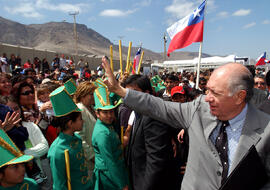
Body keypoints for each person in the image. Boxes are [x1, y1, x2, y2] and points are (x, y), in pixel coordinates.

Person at [102, 57, 270, 190]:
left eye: (215, 93)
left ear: (239, 97)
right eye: (207, 90)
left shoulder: (266, 130)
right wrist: (121, 91)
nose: (207, 97)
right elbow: (160, 107)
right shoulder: (200, 108)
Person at [124, 75, 178, 190]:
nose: (130, 97)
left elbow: (156, 162)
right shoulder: (137, 113)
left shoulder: (152, 117)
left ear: (146, 94)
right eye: (127, 93)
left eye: (134, 93)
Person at [48, 86, 93, 190]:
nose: (83, 121)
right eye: (80, 119)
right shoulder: (57, 151)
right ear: (70, 123)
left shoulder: (76, 138)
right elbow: (59, 184)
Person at [92, 86, 129, 190]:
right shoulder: (102, 133)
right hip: (109, 177)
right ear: (97, 113)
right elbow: (109, 161)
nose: (109, 116)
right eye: (105, 112)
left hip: (116, 171)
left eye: (111, 111)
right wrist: (121, 184)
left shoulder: (107, 125)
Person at [73, 81, 97, 177]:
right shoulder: (80, 110)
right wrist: (92, 156)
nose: (94, 96)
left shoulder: (91, 108)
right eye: (91, 94)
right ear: (82, 95)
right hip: (89, 162)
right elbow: (79, 138)